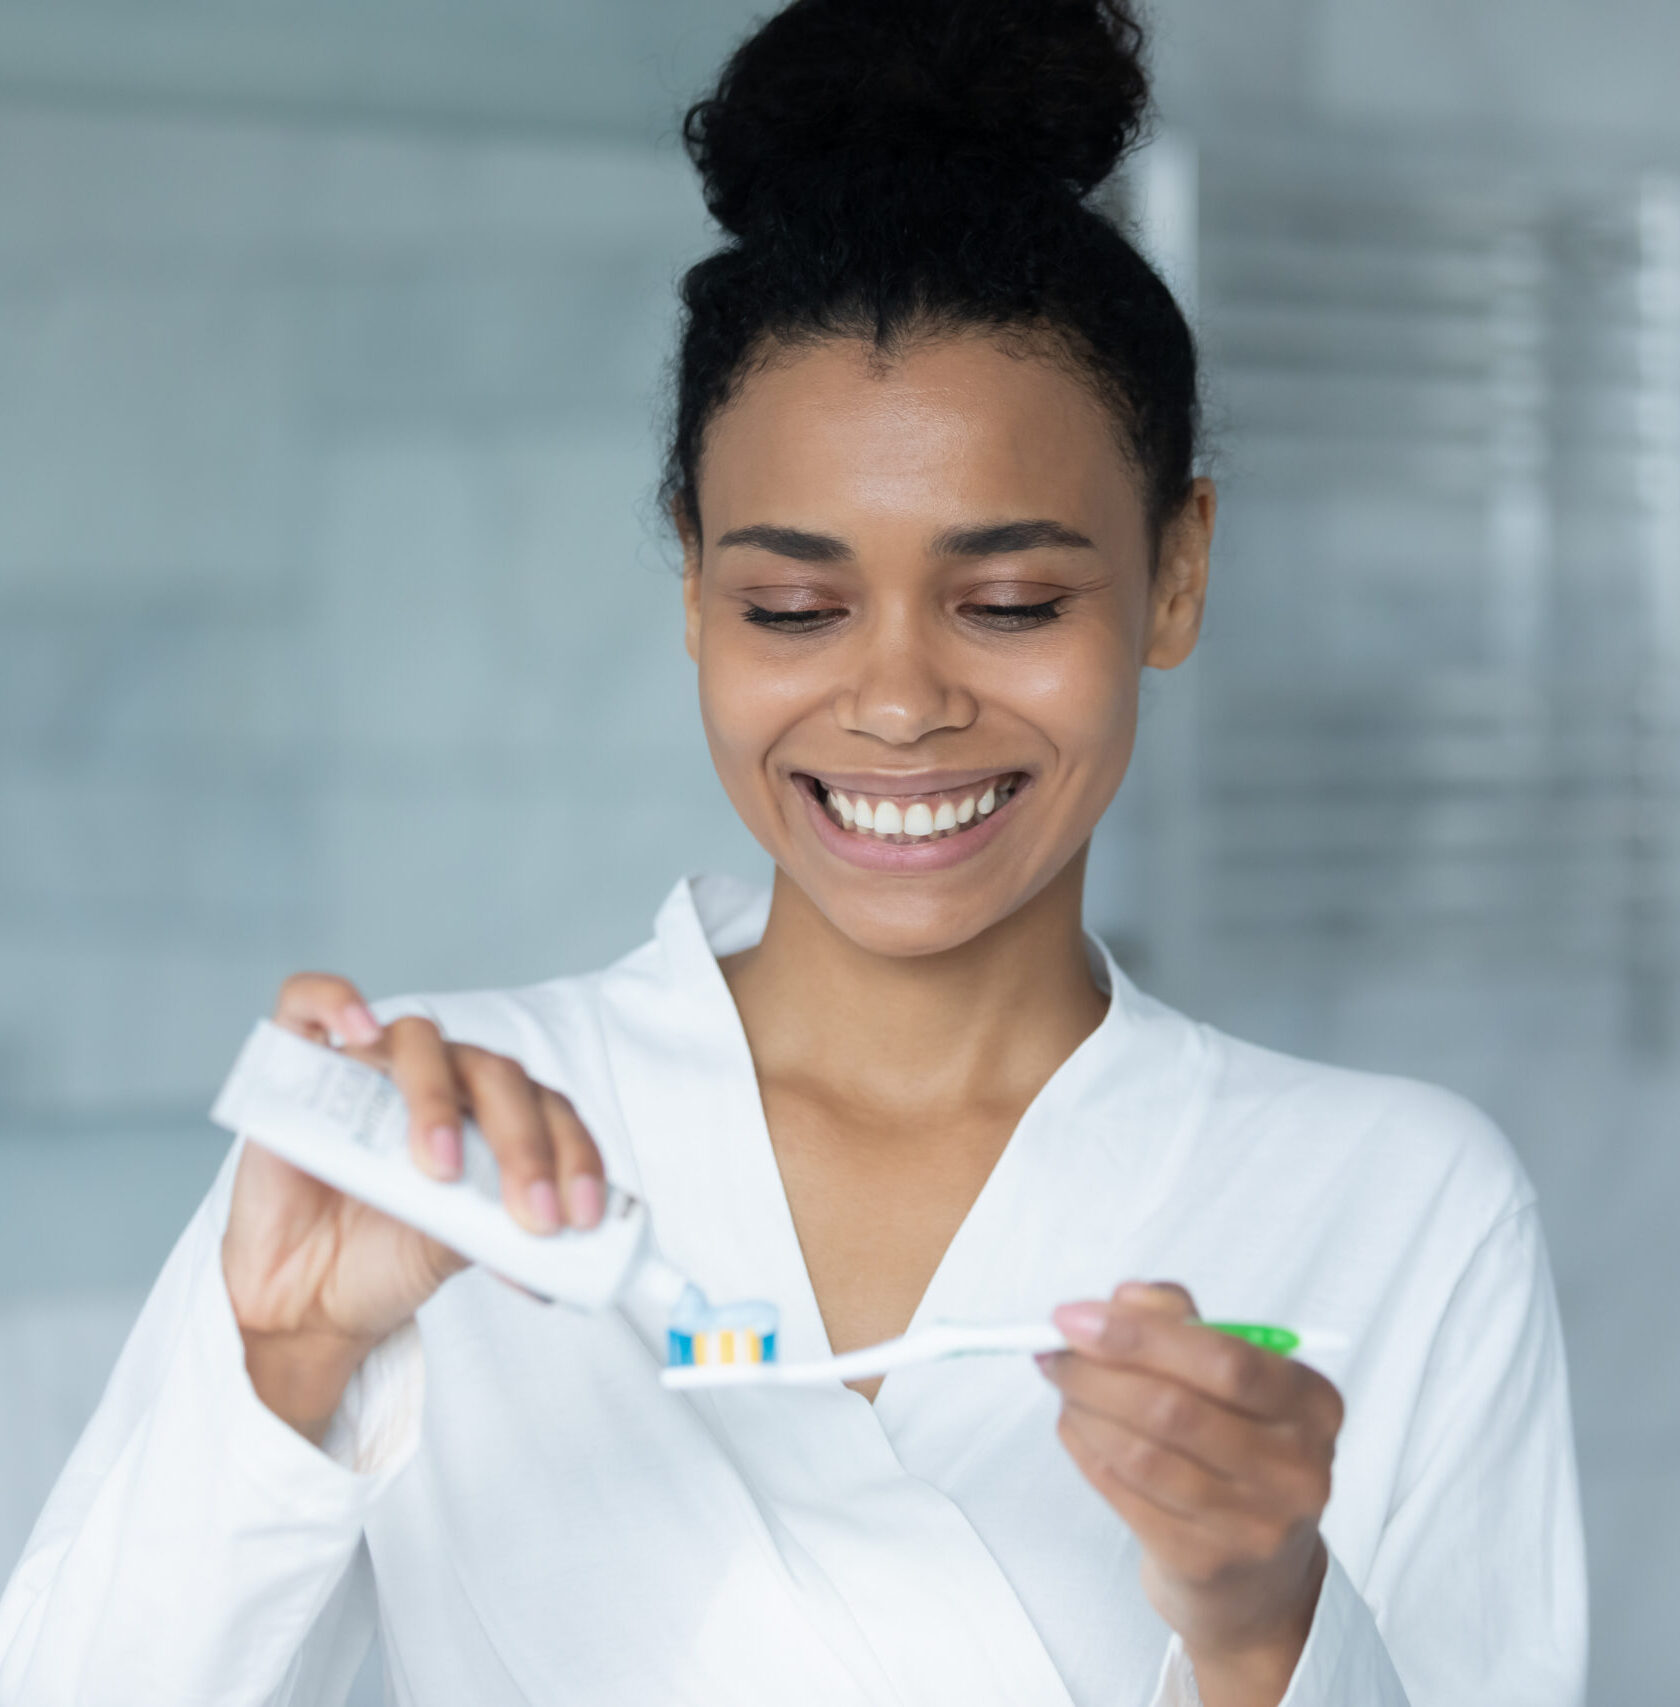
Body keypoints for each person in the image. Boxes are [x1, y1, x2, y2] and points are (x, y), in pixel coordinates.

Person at [0, 2, 1586, 1704]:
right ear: (693, 586)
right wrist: (283, 1374)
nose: (897, 700)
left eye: (1010, 602)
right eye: (793, 606)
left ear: (1178, 571)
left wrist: (1271, 1623)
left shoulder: (1397, 1205)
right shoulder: (433, 1149)